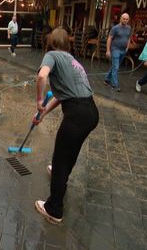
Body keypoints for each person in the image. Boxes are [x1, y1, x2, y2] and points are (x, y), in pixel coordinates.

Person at [33, 28, 99, 224]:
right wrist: (43, 112)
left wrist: (38, 99)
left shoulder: (51, 55)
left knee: (61, 157)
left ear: (51, 43)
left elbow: (42, 76)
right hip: (91, 112)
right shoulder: (72, 60)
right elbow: (63, 96)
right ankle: (61, 174)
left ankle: (53, 209)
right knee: (70, 152)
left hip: (77, 115)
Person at [104, 13, 132, 92]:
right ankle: (114, 85)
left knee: (115, 66)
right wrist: (108, 50)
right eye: (124, 18)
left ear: (128, 20)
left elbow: (129, 38)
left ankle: (107, 79)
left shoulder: (129, 28)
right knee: (116, 67)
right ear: (120, 19)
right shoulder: (115, 28)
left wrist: (127, 47)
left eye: (127, 19)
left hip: (123, 50)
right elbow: (109, 39)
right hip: (115, 49)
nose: (125, 20)